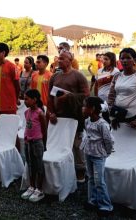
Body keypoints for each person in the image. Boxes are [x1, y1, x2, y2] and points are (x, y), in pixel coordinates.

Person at [48, 49, 90, 182]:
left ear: (70, 61)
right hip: (58, 116)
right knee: (62, 143)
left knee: (77, 145)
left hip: (74, 116)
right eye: (58, 58)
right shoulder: (55, 76)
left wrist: (70, 97)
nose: (58, 61)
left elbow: (86, 95)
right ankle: (65, 169)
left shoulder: (78, 76)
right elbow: (50, 97)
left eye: (62, 59)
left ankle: (80, 171)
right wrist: (51, 112)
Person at [81, 96, 114, 218]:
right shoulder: (87, 121)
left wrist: (107, 152)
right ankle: (92, 200)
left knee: (99, 181)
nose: (83, 108)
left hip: (99, 155)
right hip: (88, 153)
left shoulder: (102, 124)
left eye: (85, 106)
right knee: (90, 178)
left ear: (93, 108)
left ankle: (106, 205)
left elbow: (108, 140)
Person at [108, 48, 136, 130]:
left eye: (128, 58)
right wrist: (112, 117)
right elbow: (111, 97)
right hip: (118, 117)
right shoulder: (117, 76)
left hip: (134, 118)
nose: (124, 61)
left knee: (135, 143)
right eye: (122, 58)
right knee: (119, 142)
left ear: (134, 60)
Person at [21, 89, 47, 202]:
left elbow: (44, 130)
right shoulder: (26, 112)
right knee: (30, 165)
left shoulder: (40, 113)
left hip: (37, 143)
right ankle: (32, 186)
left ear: (34, 100)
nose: (24, 101)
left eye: (27, 99)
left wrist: (44, 144)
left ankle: (40, 189)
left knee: (39, 165)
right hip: (27, 142)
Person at [0, 43, 20, 128]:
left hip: (9, 105)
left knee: (11, 131)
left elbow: (17, 87)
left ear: (3, 53)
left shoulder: (12, 67)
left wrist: (15, 101)